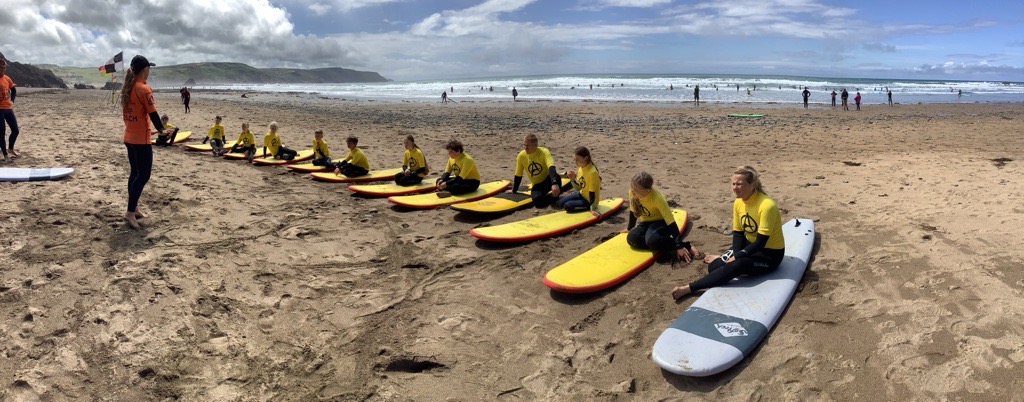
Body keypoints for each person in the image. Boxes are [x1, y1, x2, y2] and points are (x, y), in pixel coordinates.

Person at [671, 166, 785, 299]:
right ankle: (732, 264)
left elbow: (761, 242)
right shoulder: (738, 202)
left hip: (769, 255)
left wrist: (737, 257)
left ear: (752, 184)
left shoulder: (766, 206)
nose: (735, 188)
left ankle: (690, 288)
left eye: (739, 184)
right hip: (749, 246)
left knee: (737, 265)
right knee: (713, 267)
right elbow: (738, 234)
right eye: (733, 184)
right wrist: (737, 253)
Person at [119, 55, 170, 230]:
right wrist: (163, 131)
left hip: (129, 137)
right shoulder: (144, 89)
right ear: (145, 69)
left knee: (135, 173)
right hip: (140, 140)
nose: (149, 71)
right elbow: (153, 114)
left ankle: (134, 208)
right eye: (149, 68)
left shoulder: (128, 87)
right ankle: (130, 213)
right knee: (144, 175)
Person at [624, 171, 698, 262]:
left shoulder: (657, 198)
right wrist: (629, 228)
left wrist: (679, 245)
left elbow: (670, 222)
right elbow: (633, 210)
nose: (632, 191)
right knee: (632, 239)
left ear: (647, 190)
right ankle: (662, 245)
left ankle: (687, 246)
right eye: (632, 187)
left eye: (636, 189)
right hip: (645, 223)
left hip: (661, 223)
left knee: (652, 241)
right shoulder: (632, 193)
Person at [511, 134, 561, 208]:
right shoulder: (521, 156)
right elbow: (518, 174)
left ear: (535, 145)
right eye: (524, 145)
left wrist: (554, 183)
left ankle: (555, 192)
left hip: (549, 180)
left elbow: (551, 167)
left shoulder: (544, 152)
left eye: (528, 146)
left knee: (556, 177)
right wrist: (514, 190)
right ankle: (553, 197)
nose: (525, 148)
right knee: (537, 203)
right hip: (537, 185)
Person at [555, 146, 601, 215]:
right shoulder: (581, 167)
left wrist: (592, 209)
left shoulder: (592, 172)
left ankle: (587, 207)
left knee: (567, 206)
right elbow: (578, 188)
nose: (575, 162)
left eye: (577, 159)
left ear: (586, 158)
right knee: (559, 203)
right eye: (574, 159)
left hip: (590, 201)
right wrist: (572, 179)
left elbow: (592, 193)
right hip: (581, 194)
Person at [0, 59, 19, 162]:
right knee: (1, 133)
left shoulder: (7, 78)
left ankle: (10, 149)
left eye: (4, 68)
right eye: (1, 68)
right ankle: (5, 155)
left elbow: (14, 89)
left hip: (8, 108)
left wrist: (12, 100)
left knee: (15, 130)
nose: (3, 70)